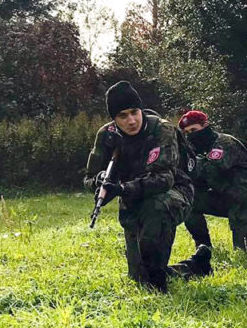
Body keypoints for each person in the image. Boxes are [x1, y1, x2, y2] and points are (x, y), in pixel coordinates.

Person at [83, 81, 194, 293]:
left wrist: (122, 189)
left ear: (141, 109)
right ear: (114, 119)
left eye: (134, 112)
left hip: (173, 193)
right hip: (134, 198)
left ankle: (159, 286)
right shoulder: (106, 135)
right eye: (122, 116)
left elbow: (163, 179)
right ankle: (196, 265)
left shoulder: (162, 129)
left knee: (156, 207)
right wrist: (100, 181)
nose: (131, 120)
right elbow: (88, 178)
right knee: (139, 277)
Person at [170, 111, 247, 277]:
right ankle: (204, 248)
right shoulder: (202, 149)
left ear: (205, 125)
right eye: (186, 133)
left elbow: (209, 171)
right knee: (189, 200)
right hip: (229, 200)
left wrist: (185, 163)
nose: (191, 136)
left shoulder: (224, 143)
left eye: (194, 130)